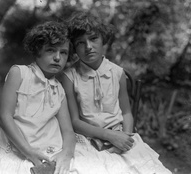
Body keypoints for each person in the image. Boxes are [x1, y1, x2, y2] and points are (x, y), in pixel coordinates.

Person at [0, 21, 89, 174]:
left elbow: (68, 130)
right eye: (51, 50)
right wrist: (29, 152)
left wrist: (66, 154)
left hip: (51, 151)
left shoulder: (59, 89)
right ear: (37, 51)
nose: (58, 57)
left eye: (63, 52)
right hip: (19, 150)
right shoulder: (20, 73)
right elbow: (5, 117)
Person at [60, 11, 172, 174]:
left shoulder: (117, 73)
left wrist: (124, 137)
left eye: (93, 39)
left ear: (103, 39)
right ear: (74, 47)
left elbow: (126, 112)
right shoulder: (69, 76)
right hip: (87, 138)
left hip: (120, 133)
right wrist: (109, 136)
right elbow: (75, 121)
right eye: (80, 43)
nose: (88, 47)